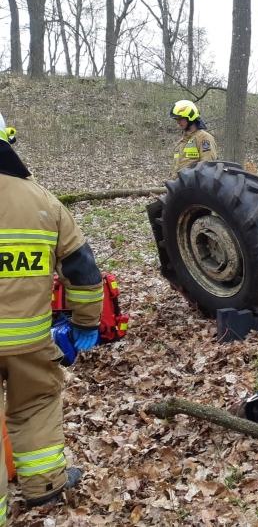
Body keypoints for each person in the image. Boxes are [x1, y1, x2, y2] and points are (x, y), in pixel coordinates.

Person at [0, 112, 103, 510]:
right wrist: (84, 321)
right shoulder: (43, 201)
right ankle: (45, 485)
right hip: (29, 340)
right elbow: (83, 270)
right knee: (36, 404)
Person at [169, 100, 217, 178]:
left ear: (190, 117)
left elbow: (207, 169)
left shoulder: (204, 138)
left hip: (193, 187)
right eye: (176, 119)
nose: (178, 122)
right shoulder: (181, 142)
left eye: (180, 118)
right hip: (179, 187)